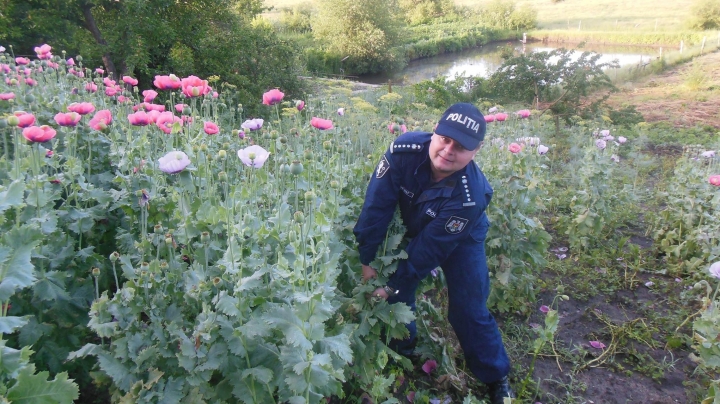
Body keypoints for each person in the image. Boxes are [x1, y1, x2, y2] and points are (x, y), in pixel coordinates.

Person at [353, 103, 515, 403]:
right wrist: (367, 261)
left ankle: (496, 376)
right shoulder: (403, 151)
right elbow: (376, 208)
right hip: (414, 218)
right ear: (435, 132)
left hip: (461, 235)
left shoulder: (471, 196)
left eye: (462, 147)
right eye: (445, 139)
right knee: (399, 292)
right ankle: (403, 350)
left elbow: (425, 253)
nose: (449, 150)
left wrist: (388, 286)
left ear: (476, 151)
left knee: (468, 308)